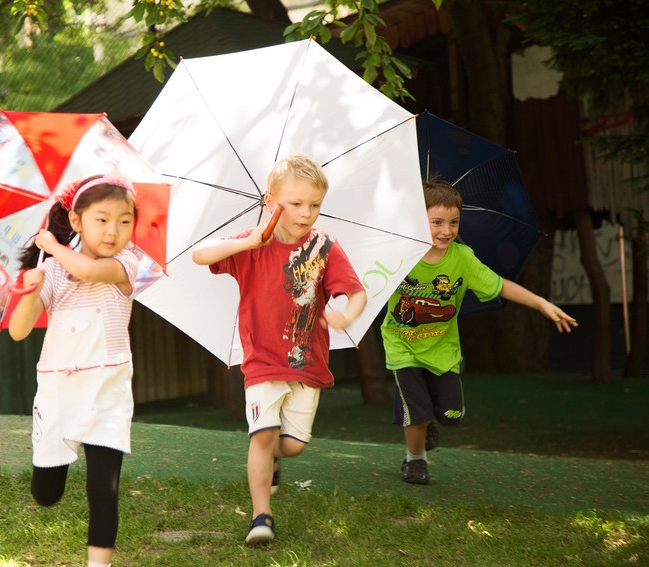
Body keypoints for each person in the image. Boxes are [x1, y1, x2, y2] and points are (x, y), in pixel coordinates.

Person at [192, 153, 367, 545]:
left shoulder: (323, 246)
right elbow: (199, 255)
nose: (307, 213)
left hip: (308, 362)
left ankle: (273, 458)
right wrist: (251, 240)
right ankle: (261, 517)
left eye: (315, 205)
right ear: (272, 201)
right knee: (263, 437)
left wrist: (346, 315)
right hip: (262, 360)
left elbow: (357, 293)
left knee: (292, 445)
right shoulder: (254, 243)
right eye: (296, 203)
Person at [380, 178, 578, 486]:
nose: (446, 230)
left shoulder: (463, 258)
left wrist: (540, 303)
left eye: (454, 222)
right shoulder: (398, 253)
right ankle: (415, 460)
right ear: (418, 220)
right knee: (415, 414)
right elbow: (365, 285)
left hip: (442, 349)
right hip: (402, 346)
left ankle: (432, 418)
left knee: (451, 415)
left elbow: (500, 285)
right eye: (436, 222)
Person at [8, 175, 141, 567]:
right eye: (101, 219)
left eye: (124, 220)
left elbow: (87, 271)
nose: (114, 231)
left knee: (104, 488)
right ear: (77, 220)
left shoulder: (126, 263)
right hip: (58, 391)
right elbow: (18, 331)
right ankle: (52, 471)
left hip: (107, 390)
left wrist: (51, 245)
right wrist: (32, 288)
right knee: (45, 493)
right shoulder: (51, 271)